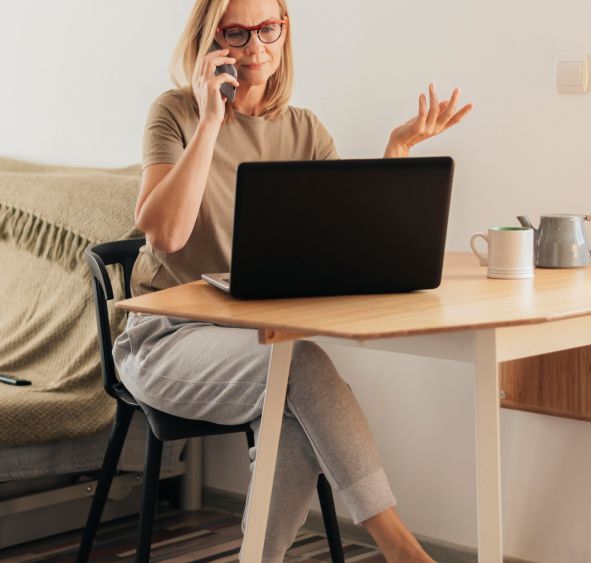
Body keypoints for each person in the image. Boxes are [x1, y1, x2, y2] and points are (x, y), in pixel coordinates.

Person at [112, 0, 472, 560]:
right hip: (164, 338)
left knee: (293, 405)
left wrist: (396, 151)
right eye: (237, 31)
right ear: (211, 39)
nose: (255, 44)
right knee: (298, 366)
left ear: (285, 34)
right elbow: (164, 235)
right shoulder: (176, 113)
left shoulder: (303, 129)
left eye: (269, 28)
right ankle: (402, 549)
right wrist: (212, 118)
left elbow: (348, 240)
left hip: (254, 339)